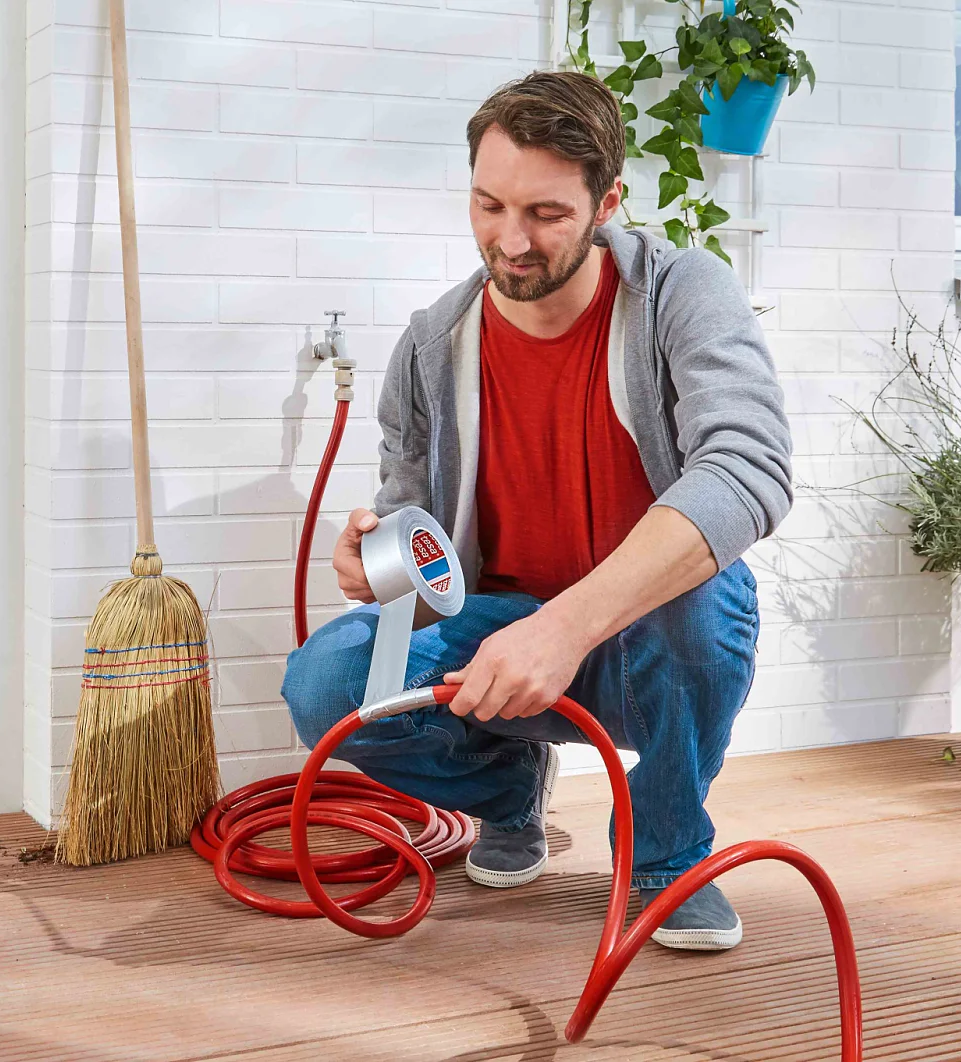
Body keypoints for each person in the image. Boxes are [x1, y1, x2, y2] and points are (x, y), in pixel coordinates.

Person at [280, 70, 791, 952]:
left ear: (607, 203)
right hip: (500, 644)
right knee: (327, 684)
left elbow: (749, 470)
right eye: (488, 205)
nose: (509, 241)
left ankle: (669, 853)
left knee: (708, 599)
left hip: (645, 637)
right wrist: (381, 563)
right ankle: (508, 787)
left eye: (546, 215)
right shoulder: (432, 346)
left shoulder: (682, 295)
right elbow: (418, 531)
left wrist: (565, 627)